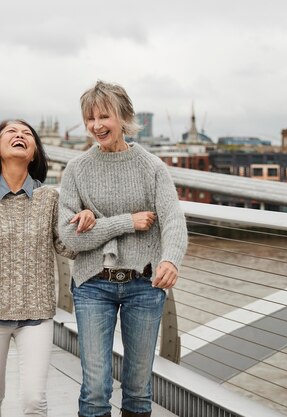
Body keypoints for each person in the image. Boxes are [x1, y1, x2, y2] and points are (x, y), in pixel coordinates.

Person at [58, 81, 188, 417]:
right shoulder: (76, 170)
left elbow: (172, 220)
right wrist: (127, 222)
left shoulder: (152, 167)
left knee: (138, 391)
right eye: (90, 118)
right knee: (96, 389)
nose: (96, 125)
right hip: (92, 285)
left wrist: (171, 260)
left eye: (104, 116)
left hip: (143, 286)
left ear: (124, 117)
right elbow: (70, 238)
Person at [0, 119, 96, 417]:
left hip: (36, 314)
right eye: (11, 133)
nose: (20, 136)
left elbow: (66, 246)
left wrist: (84, 222)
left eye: (27, 134)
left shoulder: (50, 198)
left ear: (34, 154)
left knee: (34, 401)